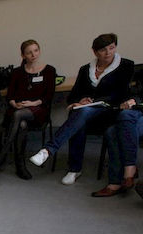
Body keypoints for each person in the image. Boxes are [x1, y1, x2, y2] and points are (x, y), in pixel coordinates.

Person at [30, 33, 134, 185]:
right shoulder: (85, 69)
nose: (108, 52)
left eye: (112, 48)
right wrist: (80, 101)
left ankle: (48, 150)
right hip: (88, 115)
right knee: (78, 114)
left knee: (81, 113)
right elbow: (73, 96)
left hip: (112, 112)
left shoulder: (126, 65)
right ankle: (74, 169)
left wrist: (94, 101)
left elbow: (121, 94)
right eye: (103, 50)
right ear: (95, 52)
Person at [0, 40, 56, 180]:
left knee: (18, 115)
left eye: (36, 50)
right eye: (29, 52)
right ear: (23, 55)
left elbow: (48, 96)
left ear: (39, 51)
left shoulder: (49, 70)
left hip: (39, 110)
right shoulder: (17, 72)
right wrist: (14, 104)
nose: (33, 55)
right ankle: (20, 165)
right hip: (19, 110)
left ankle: (3, 153)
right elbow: (10, 95)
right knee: (21, 123)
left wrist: (32, 103)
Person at [93, 97, 142, 197]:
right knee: (112, 132)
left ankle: (126, 171)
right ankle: (119, 180)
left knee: (125, 117)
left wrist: (136, 101)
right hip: (128, 114)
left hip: (137, 112)